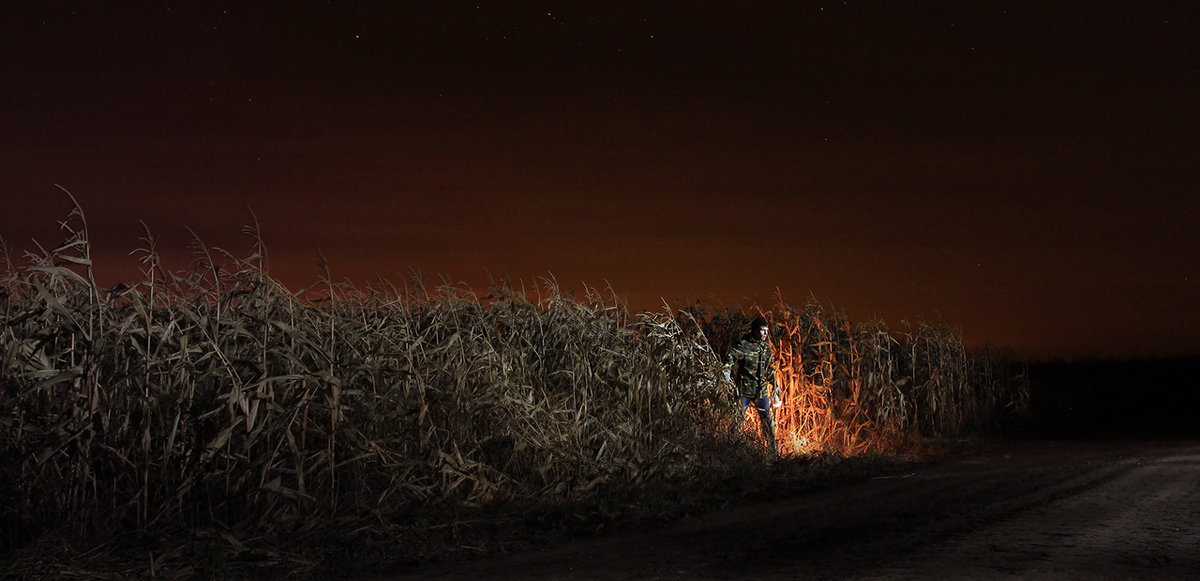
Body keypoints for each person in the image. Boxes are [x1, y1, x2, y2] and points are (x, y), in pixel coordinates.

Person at [723, 315, 780, 452]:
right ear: (754, 330)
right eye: (762, 330)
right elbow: (730, 358)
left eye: (767, 330)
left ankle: (773, 451)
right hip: (744, 391)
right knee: (736, 421)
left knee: (768, 421)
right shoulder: (743, 344)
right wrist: (726, 372)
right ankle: (730, 449)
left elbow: (767, 368)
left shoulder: (765, 347)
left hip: (761, 392)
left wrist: (776, 385)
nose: (765, 333)